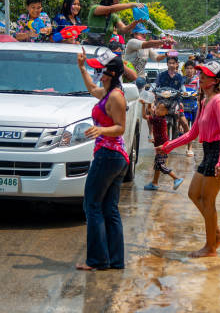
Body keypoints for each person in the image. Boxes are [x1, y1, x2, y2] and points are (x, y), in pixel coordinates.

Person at [156, 60, 220, 258]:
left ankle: (211, 247)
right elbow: (192, 134)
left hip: (218, 153)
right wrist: (168, 146)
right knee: (193, 194)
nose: (201, 78)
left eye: (206, 76)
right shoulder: (204, 101)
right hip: (209, 152)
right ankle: (216, 233)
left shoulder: (218, 100)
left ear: (215, 80)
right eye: (202, 74)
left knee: (208, 200)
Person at [75, 48, 129, 271]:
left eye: (102, 70)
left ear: (113, 73)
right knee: (109, 208)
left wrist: (100, 130)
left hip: (109, 156)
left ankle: (97, 260)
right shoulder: (107, 92)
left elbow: (120, 128)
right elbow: (91, 88)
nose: (99, 73)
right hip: (113, 157)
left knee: (92, 205)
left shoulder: (115, 96)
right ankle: (114, 261)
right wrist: (81, 67)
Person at [143, 101, 185, 191]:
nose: (158, 110)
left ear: (166, 112)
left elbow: (145, 116)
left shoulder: (159, 120)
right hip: (162, 145)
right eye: (157, 108)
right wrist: (149, 106)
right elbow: (151, 112)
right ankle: (154, 183)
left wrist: (143, 105)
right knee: (157, 165)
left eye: (161, 109)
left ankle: (176, 178)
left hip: (162, 147)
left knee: (160, 165)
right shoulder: (159, 117)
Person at [157, 56, 191, 153]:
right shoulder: (161, 75)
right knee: (156, 121)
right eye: (170, 63)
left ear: (177, 64)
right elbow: (155, 86)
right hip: (163, 103)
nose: (171, 65)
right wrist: (152, 91)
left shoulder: (179, 77)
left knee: (184, 123)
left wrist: (185, 94)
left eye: (173, 63)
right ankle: (160, 144)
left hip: (176, 102)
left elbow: (183, 88)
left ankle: (189, 147)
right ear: (167, 64)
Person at [124, 23, 167, 89]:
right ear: (135, 34)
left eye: (145, 33)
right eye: (142, 33)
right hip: (128, 80)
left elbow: (157, 58)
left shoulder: (147, 46)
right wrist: (164, 41)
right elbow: (146, 44)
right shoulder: (131, 42)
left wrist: (167, 54)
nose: (144, 35)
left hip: (141, 80)